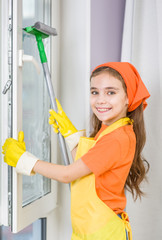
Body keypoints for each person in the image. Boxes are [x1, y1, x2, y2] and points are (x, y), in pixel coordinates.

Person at [2, 62, 150, 240]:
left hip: (103, 233)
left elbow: (68, 174)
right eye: (95, 92)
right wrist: (70, 135)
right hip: (90, 229)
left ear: (128, 97)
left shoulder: (117, 138)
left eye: (111, 92)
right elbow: (86, 170)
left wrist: (24, 161)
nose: (100, 99)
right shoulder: (111, 130)